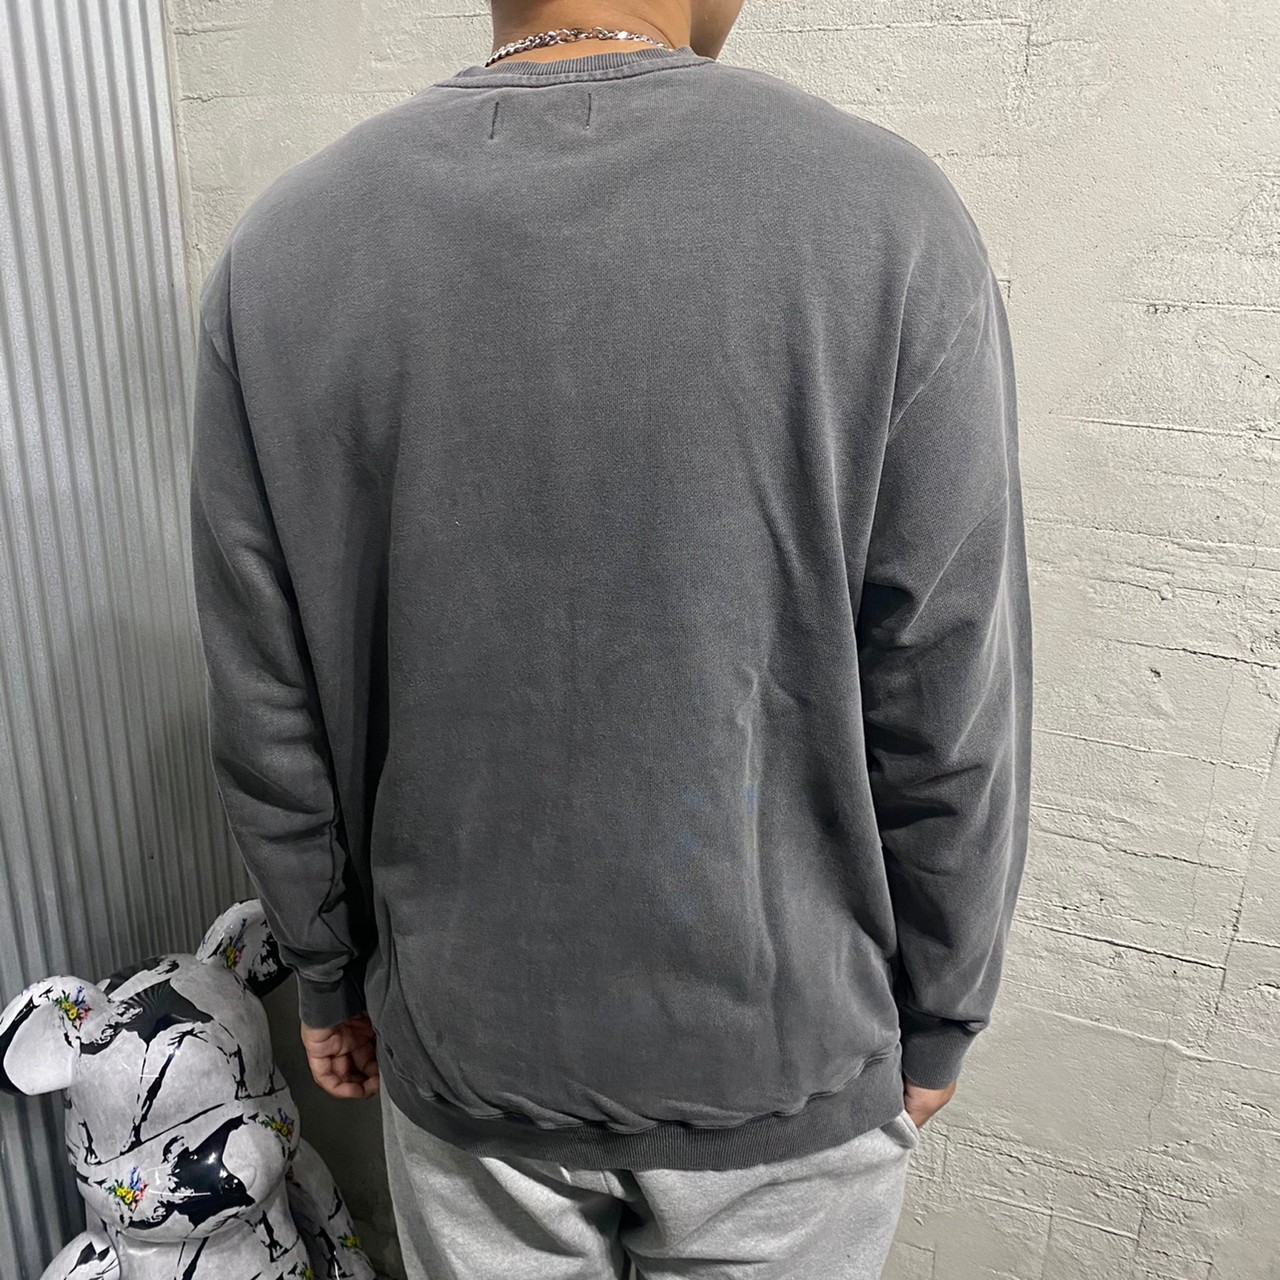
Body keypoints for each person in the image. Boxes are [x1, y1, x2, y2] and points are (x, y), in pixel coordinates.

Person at [188, 1, 1033, 1275]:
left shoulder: (283, 252)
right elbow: (947, 679)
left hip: (468, 1044)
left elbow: (267, 696)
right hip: (784, 1061)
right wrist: (943, 1007)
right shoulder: (887, 219)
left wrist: (326, 966)